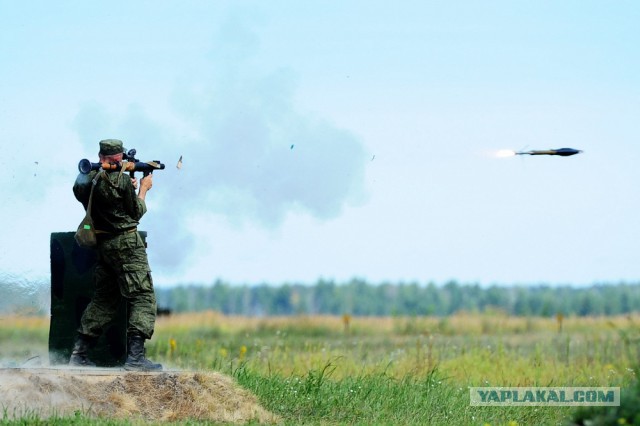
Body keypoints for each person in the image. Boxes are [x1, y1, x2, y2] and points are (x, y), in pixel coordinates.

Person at [69, 139, 162, 371]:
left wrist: (123, 183)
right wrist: (142, 189)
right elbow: (135, 212)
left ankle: (79, 353)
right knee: (142, 296)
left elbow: (91, 190)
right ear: (118, 157)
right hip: (127, 244)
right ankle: (136, 359)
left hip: (104, 246)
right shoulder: (118, 181)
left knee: (104, 300)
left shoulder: (86, 181)